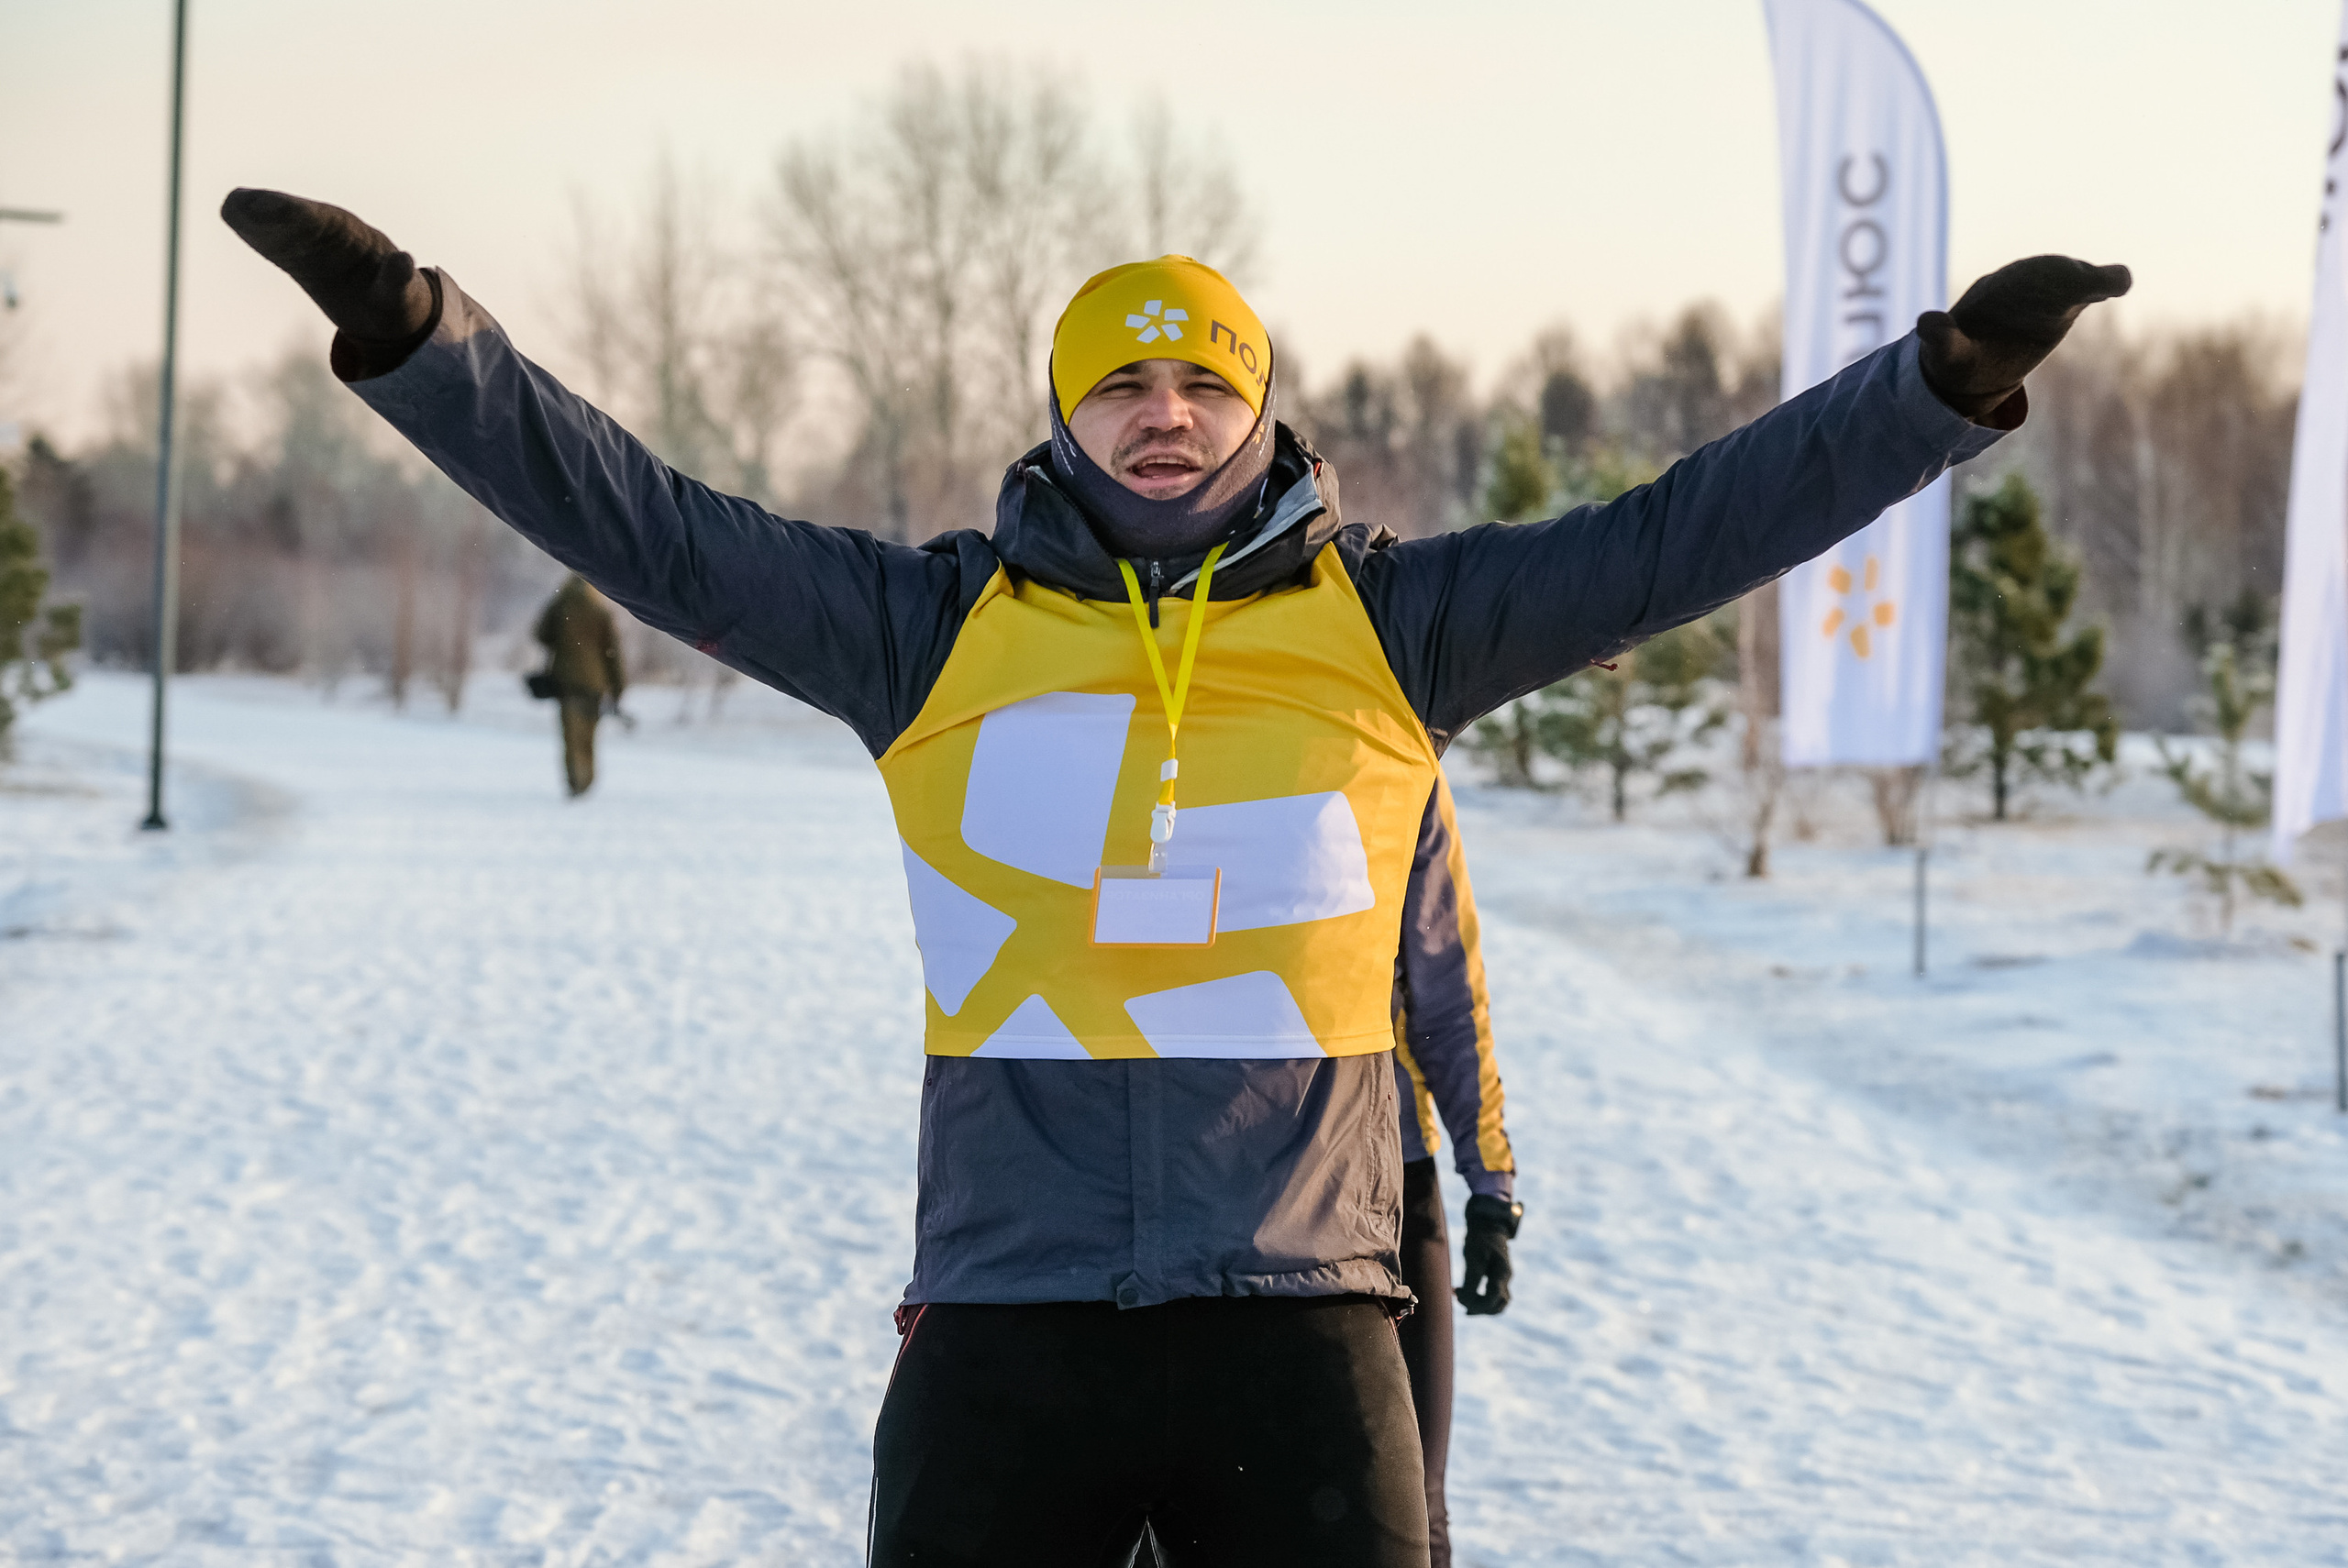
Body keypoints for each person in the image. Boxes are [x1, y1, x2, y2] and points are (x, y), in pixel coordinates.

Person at [221, 185, 2125, 1566]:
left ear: (1256, 410)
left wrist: (1933, 384)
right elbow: (642, 525)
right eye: (1121, 380)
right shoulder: (924, 633)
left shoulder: (1391, 626)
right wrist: (419, 341)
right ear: (1065, 415)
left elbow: (1681, 533)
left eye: (1200, 378)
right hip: (1005, 1315)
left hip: (1295, 1322)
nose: (1162, 406)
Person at [1391, 771, 1518, 1568]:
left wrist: (1490, 1193)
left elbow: (1446, 1000)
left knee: (1413, 1502)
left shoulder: (1396, 751)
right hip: (1197, 1187)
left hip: (1389, 1179)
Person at [532, 572, 626, 796]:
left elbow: (541, 635)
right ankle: (587, 781)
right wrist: (618, 688)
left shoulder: (561, 605)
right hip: (595, 683)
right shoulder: (600, 611)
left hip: (567, 681)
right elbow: (613, 655)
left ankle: (577, 783)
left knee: (572, 735)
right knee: (588, 736)